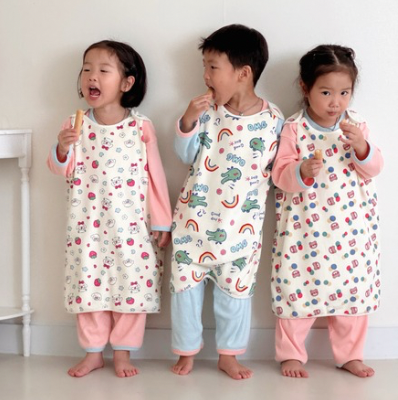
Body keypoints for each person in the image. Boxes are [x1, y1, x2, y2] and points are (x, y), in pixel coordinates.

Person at [47, 40, 172, 378]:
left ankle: (123, 353)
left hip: (132, 228)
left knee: (133, 286)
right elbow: (60, 169)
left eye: (103, 70)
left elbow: (156, 177)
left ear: (127, 83)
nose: (92, 76)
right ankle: (92, 353)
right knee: (88, 286)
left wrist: (163, 221)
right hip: (87, 227)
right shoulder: (74, 125)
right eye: (87, 69)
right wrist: (62, 148)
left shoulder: (140, 127)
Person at [170, 24, 284, 380]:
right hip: (192, 223)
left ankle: (229, 355)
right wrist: (188, 120)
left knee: (236, 294)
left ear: (243, 73)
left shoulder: (273, 120)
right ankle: (186, 351)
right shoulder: (206, 113)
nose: (205, 76)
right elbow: (185, 155)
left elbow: (279, 171)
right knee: (184, 290)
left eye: (212, 67)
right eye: (204, 67)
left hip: (241, 229)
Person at [271, 44, 383, 378]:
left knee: (353, 289)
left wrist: (361, 147)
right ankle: (291, 354)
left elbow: (374, 168)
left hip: (351, 230)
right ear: (305, 88)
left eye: (344, 93)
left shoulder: (356, 125)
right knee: (296, 286)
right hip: (304, 228)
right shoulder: (294, 128)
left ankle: (350, 355)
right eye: (326, 92)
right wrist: (301, 170)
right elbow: (279, 175)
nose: (336, 102)